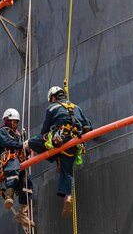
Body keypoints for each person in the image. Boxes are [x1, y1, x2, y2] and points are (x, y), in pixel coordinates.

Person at [27, 86, 92, 217]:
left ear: (53, 97)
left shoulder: (52, 108)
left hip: (60, 139)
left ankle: (52, 154)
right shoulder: (77, 107)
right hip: (74, 143)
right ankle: (67, 197)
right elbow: (89, 126)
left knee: (34, 141)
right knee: (66, 169)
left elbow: (44, 130)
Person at [0, 108, 34, 228]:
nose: (15, 124)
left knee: (26, 184)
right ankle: (9, 196)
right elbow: (7, 143)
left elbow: (24, 150)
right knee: (13, 168)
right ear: (7, 120)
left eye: (16, 122)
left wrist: (27, 146)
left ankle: (23, 213)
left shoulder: (18, 135)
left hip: (20, 163)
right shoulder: (2, 132)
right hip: (11, 160)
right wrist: (21, 144)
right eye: (13, 121)